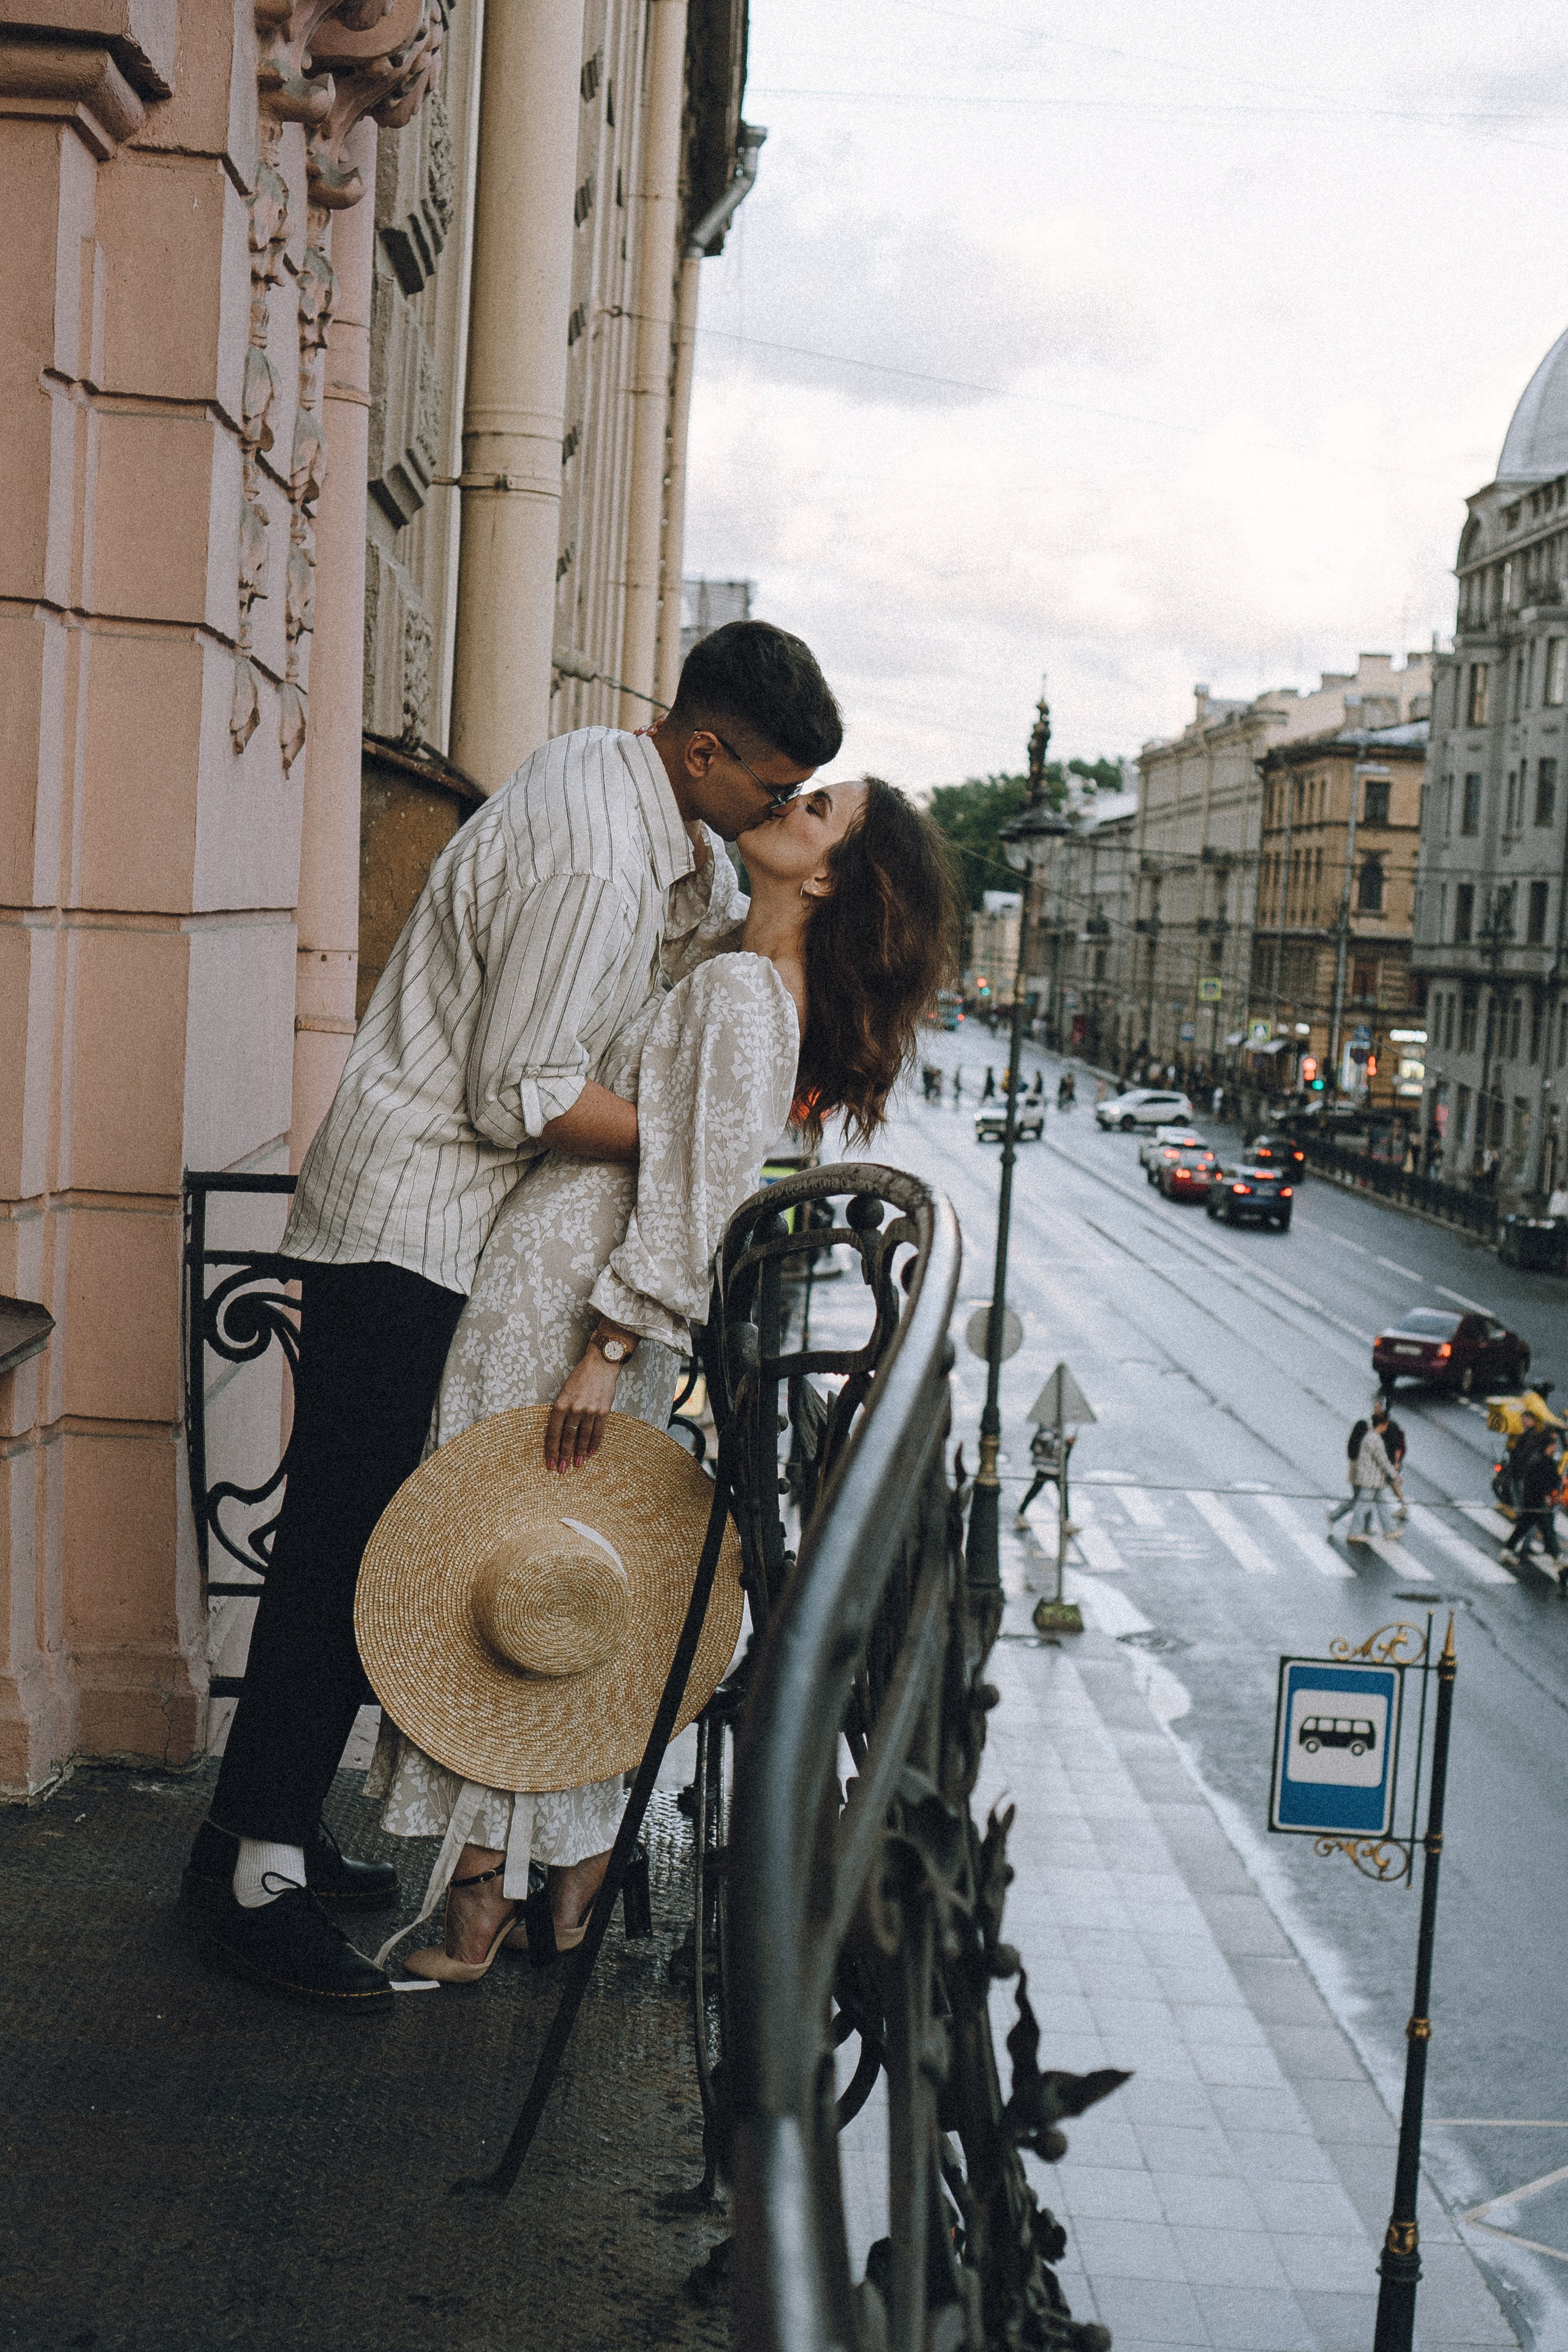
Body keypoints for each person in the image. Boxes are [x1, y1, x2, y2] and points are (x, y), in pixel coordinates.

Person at [182, 619, 844, 2007]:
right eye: (769, 785)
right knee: (342, 1547)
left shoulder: (624, 784)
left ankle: (273, 1832)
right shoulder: (601, 855)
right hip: (409, 1225)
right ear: (704, 747)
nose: (772, 813)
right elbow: (525, 1096)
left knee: (350, 1535)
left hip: (430, 1219)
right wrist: (699, 1137)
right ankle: (253, 1879)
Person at [368, 778, 959, 1980]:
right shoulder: (736, 967)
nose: (786, 803)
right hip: (557, 1284)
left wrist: (610, 1345)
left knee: (500, 1568)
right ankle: (558, 1883)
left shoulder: (749, 994)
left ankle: (489, 1897)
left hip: (567, 1302)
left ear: (832, 875)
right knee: (521, 1569)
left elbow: (698, 1192)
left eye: (815, 809)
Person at [1502, 1430, 1564, 1578]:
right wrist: (1549, 1496)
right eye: (1552, 1446)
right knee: (1547, 1529)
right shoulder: (1544, 1462)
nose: (1554, 1448)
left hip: (1533, 1501)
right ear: (1547, 1447)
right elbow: (1548, 1482)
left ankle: (1507, 1551)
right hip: (1538, 1502)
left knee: (1523, 1527)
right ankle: (1558, 1558)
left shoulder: (1539, 1460)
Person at [1344, 1406, 1403, 1544]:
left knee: (1381, 1505)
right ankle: (1354, 1533)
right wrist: (1395, 1476)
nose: (1387, 1427)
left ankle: (1390, 1530)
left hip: (1374, 1479)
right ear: (1383, 1425)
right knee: (1362, 1506)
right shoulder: (1375, 1440)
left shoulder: (1370, 1437)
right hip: (1371, 1480)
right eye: (1386, 1424)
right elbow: (1383, 1460)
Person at [1014, 1424, 1077, 1534]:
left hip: (1053, 1466)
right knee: (1041, 1490)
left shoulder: (1054, 1423)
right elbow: (1049, 1444)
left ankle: (1020, 1514)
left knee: (1057, 1491)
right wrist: (1067, 1444)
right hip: (1047, 1466)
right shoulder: (1047, 1425)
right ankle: (1020, 1514)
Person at [1325, 1415, 1370, 1529]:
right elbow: (1354, 1465)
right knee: (1360, 1501)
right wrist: (1353, 1479)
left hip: (1359, 1477)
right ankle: (1333, 1516)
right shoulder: (1359, 1446)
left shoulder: (1355, 1444)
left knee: (1365, 1500)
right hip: (1359, 1478)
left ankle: (1366, 1526)